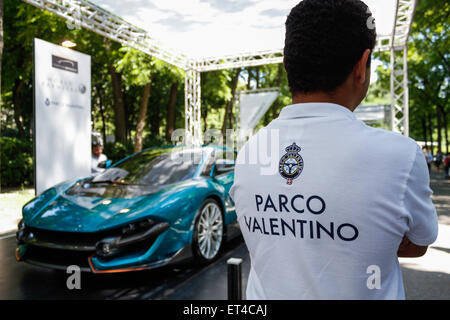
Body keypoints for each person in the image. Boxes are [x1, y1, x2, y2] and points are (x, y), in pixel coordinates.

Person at [230, 0, 438, 300]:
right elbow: (418, 244)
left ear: (287, 65)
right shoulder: (400, 156)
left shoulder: (249, 152)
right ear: (361, 66)